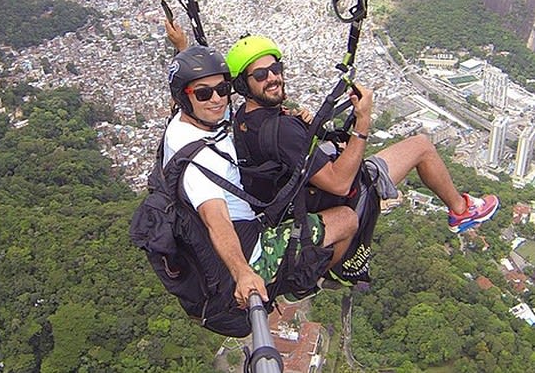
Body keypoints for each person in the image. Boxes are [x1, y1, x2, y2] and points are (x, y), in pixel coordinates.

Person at [223, 34, 500, 236]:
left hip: (289, 200)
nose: (273, 77)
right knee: (421, 146)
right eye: (261, 75)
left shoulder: (243, 119)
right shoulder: (282, 130)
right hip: (330, 199)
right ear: (243, 85)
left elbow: (284, 152)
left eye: (276, 69)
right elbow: (340, 184)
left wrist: (301, 126)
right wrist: (363, 121)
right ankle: (461, 211)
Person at [162, 35, 359, 309]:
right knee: (347, 219)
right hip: (251, 249)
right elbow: (215, 220)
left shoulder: (186, 125)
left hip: (242, 224)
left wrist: (184, 51)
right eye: (205, 93)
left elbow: (189, 92)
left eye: (222, 89)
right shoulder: (200, 162)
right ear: (186, 98)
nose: (217, 100)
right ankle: (305, 284)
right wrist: (243, 272)